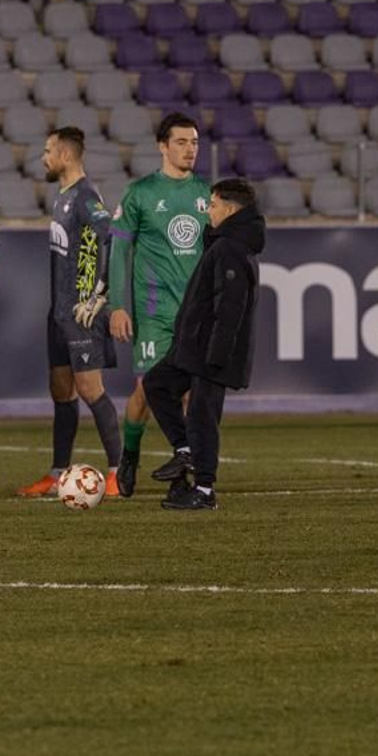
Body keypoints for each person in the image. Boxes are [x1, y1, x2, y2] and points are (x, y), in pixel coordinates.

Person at [105, 115, 213, 498]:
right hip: (154, 313)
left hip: (195, 315)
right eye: (182, 142)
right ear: (162, 146)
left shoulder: (207, 193)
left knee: (188, 396)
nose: (190, 149)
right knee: (146, 390)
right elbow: (119, 251)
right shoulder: (141, 193)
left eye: (195, 142)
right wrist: (118, 306)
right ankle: (129, 455)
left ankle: (182, 475)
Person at [145, 179, 267, 511]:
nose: (207, 211)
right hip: (196, 347)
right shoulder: (224, 244)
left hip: (212, 352)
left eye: (212, 205)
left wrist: (216, 356)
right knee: (156, 384)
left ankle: (205, 490)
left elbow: (229, 307)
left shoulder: (230, 248)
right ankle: (184, 451)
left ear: (229, 209)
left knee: (202, 414)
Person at [19, 128, 124, 499]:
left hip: (81, 312)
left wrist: (96, 296)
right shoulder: (62, 197)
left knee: (90, 389)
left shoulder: (84, 196)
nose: (44, 158)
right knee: (61, 391)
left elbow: (109, 237)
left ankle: (117, 472)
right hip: (59, 312)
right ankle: (57, 471)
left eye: (48, 151)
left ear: (65, 154)